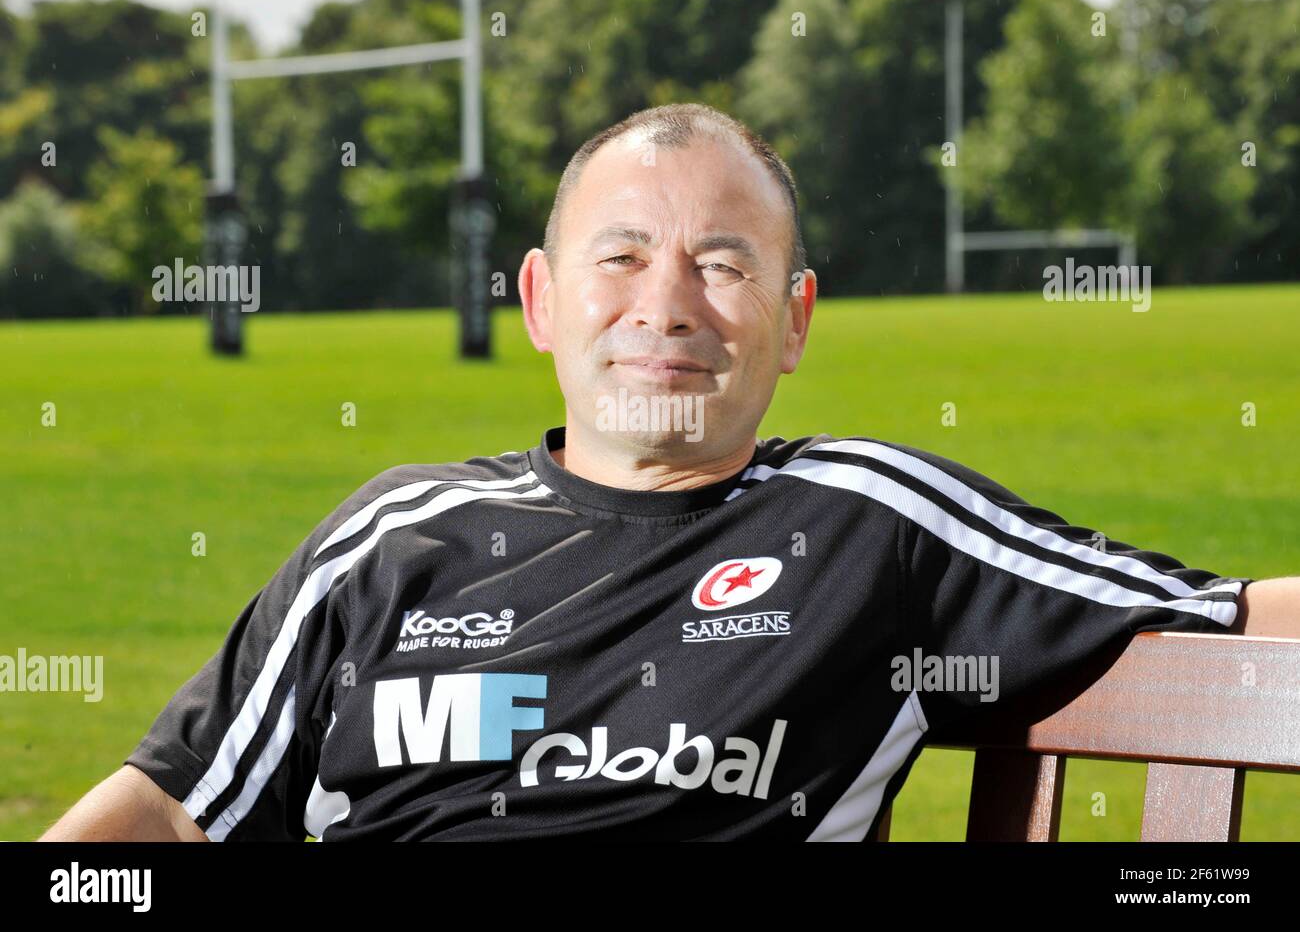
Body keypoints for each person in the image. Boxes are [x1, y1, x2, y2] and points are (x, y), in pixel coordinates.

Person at [41, 103, 1299, 841]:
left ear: (795, 320)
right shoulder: (391, 538)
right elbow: (167, 809)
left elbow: (1240, 622)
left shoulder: (874, 529)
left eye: (725, 264)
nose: (667, 306)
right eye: (621, 257)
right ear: (538, 300)